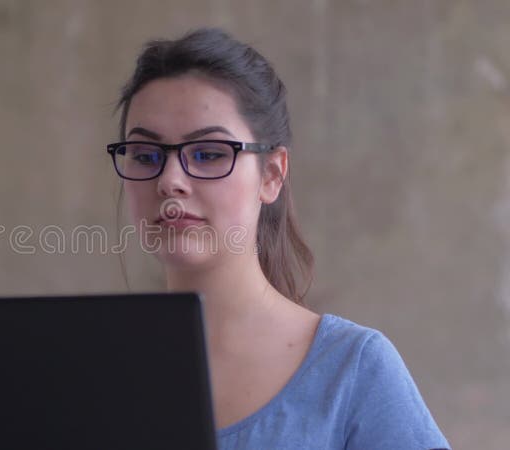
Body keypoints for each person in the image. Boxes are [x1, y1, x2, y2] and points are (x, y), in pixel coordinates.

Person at [107, 28, 450, 450]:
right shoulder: (88, 372)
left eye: (209, 153)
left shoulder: (353, 369)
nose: (170, 181)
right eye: (145, 156)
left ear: (271, 175)